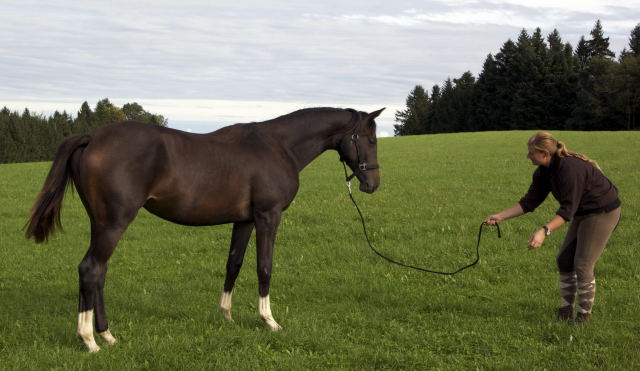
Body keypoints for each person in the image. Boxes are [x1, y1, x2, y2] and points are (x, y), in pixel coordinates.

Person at [484, 132, 621, 324]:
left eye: (531, 153)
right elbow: (530, 201)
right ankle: (565, 310)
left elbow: (567, 211)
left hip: (602, 212)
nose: (527, 156)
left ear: (545, 154)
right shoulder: (543, 171)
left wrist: (544, 231)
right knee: (565, 260)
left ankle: (583, 316)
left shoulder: (568, 169)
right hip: (582, 212)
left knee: (582, 264)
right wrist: (500, 216)